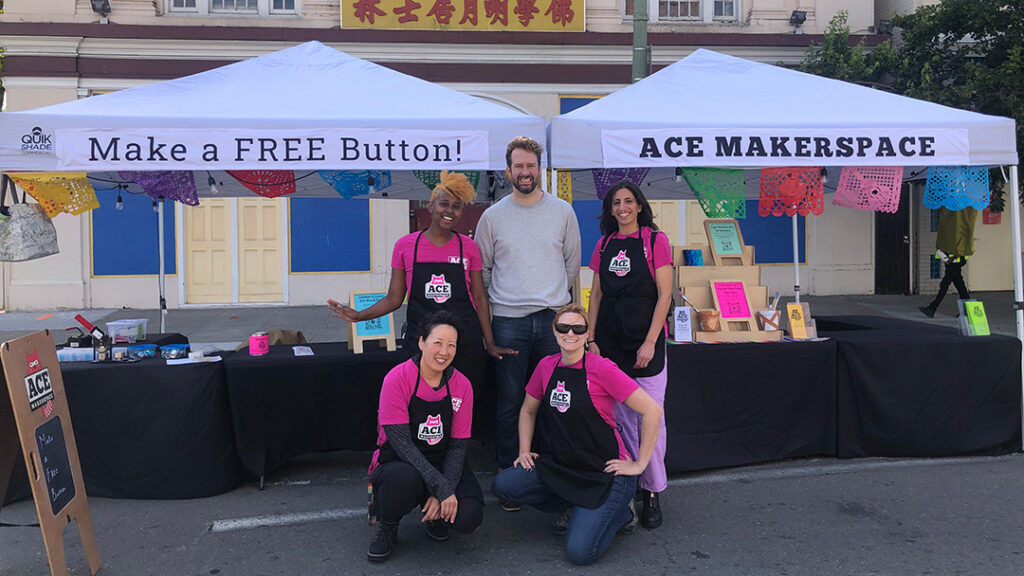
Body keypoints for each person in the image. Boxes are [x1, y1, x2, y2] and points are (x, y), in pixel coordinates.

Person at [328, 170, 514, 415]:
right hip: (422, 342)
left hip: (464, 345)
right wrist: (359, 316)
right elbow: (395, 298)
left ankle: (458, 453)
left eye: (457, 206)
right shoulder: (405, 246)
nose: (450, 211)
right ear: (430, 205)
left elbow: (479, 298)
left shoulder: (468, 247)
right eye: (444, 204)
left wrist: (489, 343)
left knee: (461, 407)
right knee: (421, 404)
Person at [490, 304, 662, 565]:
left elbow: (652, 410)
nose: (570, 333)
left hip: (604, 472)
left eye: (578, 328)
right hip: (563, 466)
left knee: (580, 552)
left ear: (586, 333)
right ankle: (573, 506)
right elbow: (527, 410)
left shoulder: (603, 368)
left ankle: (622, 514)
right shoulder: (546, 366)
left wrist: (639, 464)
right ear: (554, 331)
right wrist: (524, 450)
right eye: (563, 327)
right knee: (504, 485)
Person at [475, 136, 582, 479]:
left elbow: (571, 264)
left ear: (540, 170)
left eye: (531, 166)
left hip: (554, 322)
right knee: (510, 402)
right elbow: (484, 269)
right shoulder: (492, 217)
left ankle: (554, 470)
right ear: (508, 171)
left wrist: (553, 297)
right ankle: (511, 473)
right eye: (518, 166)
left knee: (556, 400)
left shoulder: (563, 212)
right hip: (509, 321)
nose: (525, 172)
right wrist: (506, 300)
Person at [586, 180, 672, 530]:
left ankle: (652, 490)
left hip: (645, 343)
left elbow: (665, 295)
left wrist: (650, 341)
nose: (622, 208)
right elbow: (595, 296)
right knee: (621, 420)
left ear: (639, 206)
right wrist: (590, 337)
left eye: (628, 201)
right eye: (615, 203)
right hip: (610, 344)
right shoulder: (604, 244)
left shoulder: (655, 241)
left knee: (650, 419)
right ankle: (629, 481)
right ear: (610, 210)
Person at [365, 312, 483, 562]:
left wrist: (444, 488)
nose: (444, 351)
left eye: (451, 345)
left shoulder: (462, 386)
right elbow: (401, 444)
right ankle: (388, 525)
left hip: (442, 458)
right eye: (437, 342)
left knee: (468, 516)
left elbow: (458, 448)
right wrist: (440, 488)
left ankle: (436, 516)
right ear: (421, 342)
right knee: (402, 480)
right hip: (401, 459)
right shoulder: (397, 379)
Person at [919, 206, 978, 318]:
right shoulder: (956, 225)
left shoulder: (961, 224)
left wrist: (953, 257)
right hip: (954, 259)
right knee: (960, 285)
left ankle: (933, 307)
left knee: (945, 284)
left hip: (955, 260)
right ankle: (968, 311)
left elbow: (962, 243)